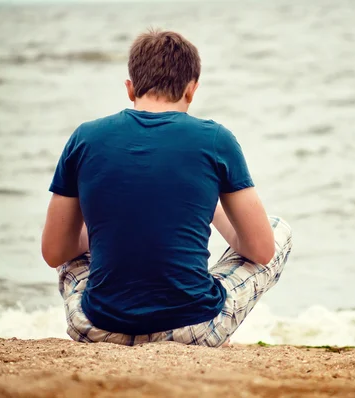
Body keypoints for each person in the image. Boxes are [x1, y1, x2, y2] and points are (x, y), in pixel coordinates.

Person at [41, 29, 292, 347]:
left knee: (70, 238)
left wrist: (114, 220)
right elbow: (260, 250)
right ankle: (213, 328)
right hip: (193, 328)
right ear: (192, 90)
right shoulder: (215, 139)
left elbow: (54, 251)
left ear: (130, 88)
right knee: (276, 230)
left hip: (97, 328)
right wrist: (209, 205)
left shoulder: (85, 138)